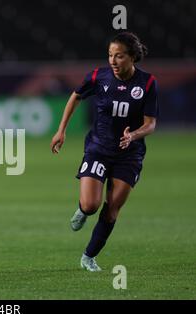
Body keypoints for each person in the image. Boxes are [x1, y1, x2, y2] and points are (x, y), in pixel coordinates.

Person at [50, 32, 158, 271]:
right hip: (98, 148)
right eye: (110, 55)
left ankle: (88, 256)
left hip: (129, 154)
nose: (113, 60)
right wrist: (61, 130)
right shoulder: (99, 76)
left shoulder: (147, 83)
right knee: (90, 205)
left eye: (119, 56)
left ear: (132, 57)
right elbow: (76, 96)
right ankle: (82, 210)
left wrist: (134, 135)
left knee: (111, 209)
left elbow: (150, 123)